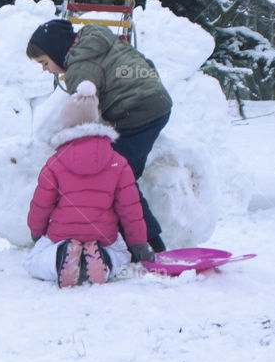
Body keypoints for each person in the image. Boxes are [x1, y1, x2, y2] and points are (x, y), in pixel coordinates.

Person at [26, 19, 171, 253]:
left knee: (119, 178)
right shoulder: (94, 37)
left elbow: (85, 119)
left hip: (137, 113)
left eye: (44, 62)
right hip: (157, 100)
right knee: (120, 174)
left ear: (55, 51)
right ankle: (142, 242)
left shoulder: (79, 70)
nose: (45, 69)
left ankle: (150, 246)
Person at [24, 81, 154, 288]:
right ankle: (103, 259)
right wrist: (139, 245)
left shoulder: (55, 163)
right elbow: (130, 209)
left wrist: (36, 232)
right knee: (122, 256)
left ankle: (60, 257)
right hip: (103, 236)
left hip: (61, 235)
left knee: (33, 261)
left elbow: (42, 203)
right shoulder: (118, 162)